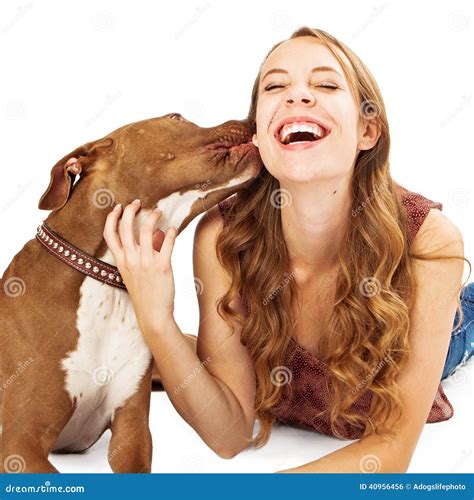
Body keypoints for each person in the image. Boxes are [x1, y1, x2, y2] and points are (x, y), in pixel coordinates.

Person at [103, 26, 473, 472]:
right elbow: (229, 435)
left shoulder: (429, 243)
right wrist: (155, 318)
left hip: (434, 332)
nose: (297, 96)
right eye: (276, 86)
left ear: (367, 130)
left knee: (462, 320)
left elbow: (388, 453)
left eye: (326, 84)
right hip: (276, 374)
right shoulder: (223, 236)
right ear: (258, 134)